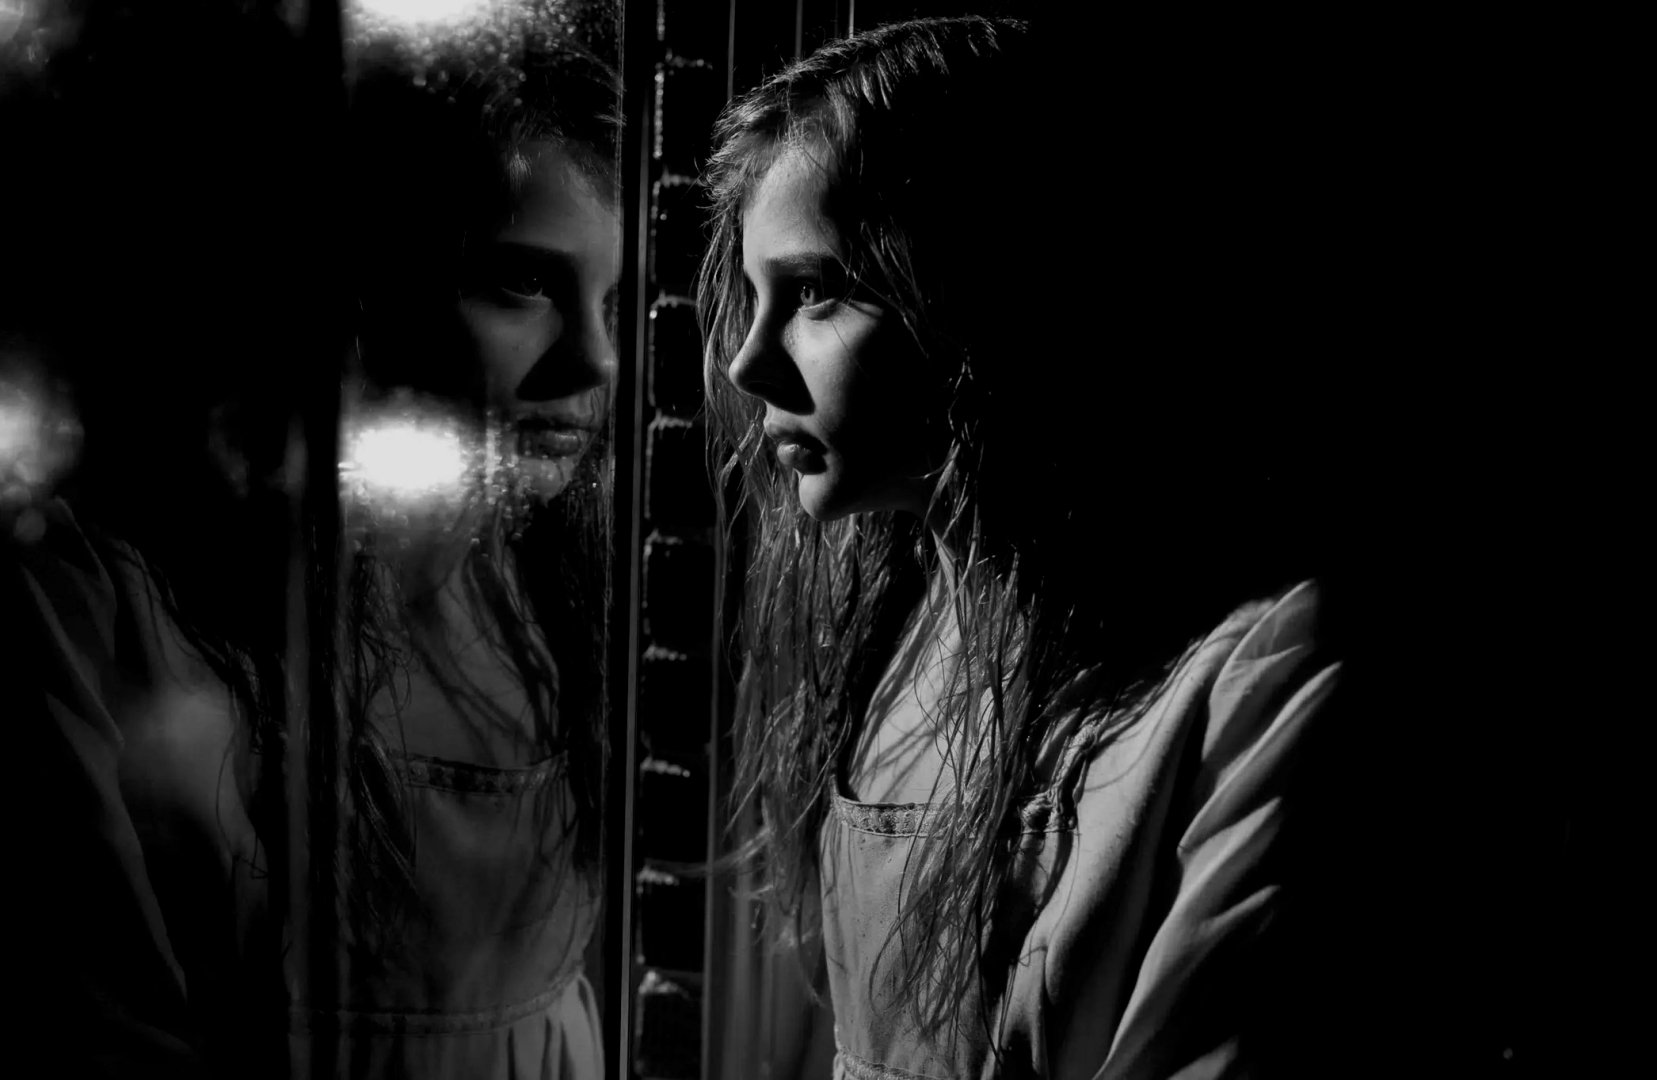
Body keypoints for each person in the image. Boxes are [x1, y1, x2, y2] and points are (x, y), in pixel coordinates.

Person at [697, 17, 1336, 1077]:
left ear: (986, 288)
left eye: (817, 291)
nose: (746, 364)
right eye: (756, 299)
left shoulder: (1247, 675)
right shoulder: (895, 615)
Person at [4, 5, 623, 1076]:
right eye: (523, 280)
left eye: (614, 298)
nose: (598, 360)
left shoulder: (551, 581)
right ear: (361, 281)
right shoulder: (101, 599)